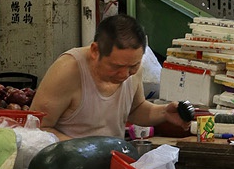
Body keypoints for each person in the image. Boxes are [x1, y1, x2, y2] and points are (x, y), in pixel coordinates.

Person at [33, 13, 184, 139]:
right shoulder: (68, 70)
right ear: (95, 51)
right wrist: (82, 151)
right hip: (66, 167)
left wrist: (165, 112)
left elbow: (135, 109)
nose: (125, 74)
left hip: (110, 163)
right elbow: (37, 127)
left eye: (133, 66)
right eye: (116, 66)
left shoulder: (133, 68)